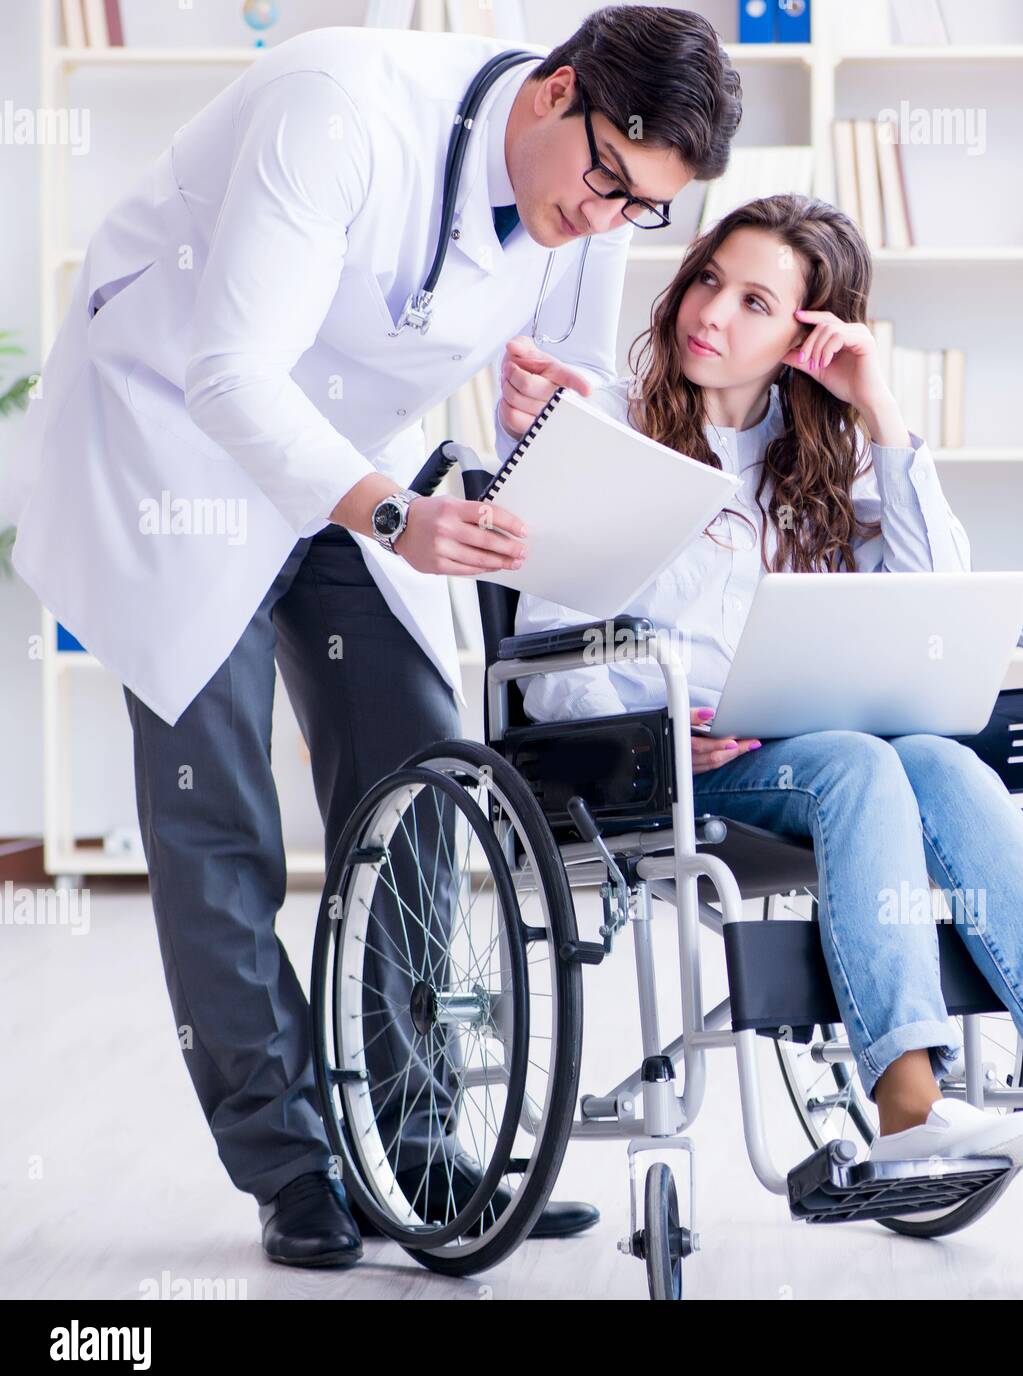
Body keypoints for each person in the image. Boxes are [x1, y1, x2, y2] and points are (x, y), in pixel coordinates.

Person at [7, 7, 742, 1266]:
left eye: (644, 209)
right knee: (218, 814)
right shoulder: (340, 108)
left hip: (352, 448)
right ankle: (291, 1165)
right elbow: (231, 373)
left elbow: (569, 371)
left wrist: (540, 402)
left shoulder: (598, 203)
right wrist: (396, 515)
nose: (607, 218)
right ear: (555, 91)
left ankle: (411, 1143)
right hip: (172, 435)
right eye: (606, 181)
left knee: (421, 772)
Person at [510, 194, 1023, 1189]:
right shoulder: (605, 427)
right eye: (708, 279)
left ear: (805, 334)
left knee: (932, 760)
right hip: (657, 765)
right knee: (860, 763)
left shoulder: (818, 458)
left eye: (756, 301)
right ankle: (907, 1107)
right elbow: (545, 649)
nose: (711, 313)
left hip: (815, 752)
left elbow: (936, 602)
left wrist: (879, 411)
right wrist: (655, 728)